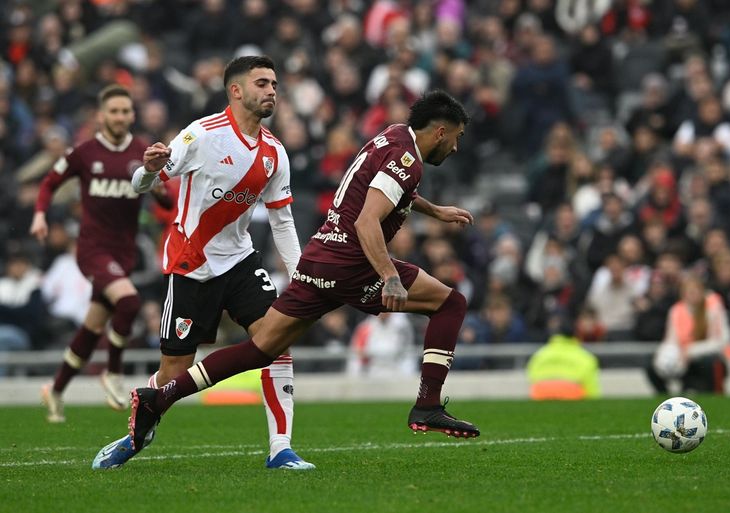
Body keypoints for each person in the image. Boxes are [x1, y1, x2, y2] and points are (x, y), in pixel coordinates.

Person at [95, 89, 480, 468]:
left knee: (263, 348)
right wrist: (389, 276)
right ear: (441, 131)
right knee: (450, 303)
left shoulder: (394, 136)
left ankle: (160, 399)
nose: (457, 148)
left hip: (319, 259)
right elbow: (367, 220)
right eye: (458, 137)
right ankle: (427, 404)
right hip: (350, 263)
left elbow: (387, 190)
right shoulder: (407, 158)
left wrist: (435, 211)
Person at [92, 56, 313, 471]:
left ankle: (280, 448)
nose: (271, 91)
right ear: (236, 91)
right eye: (262, 83)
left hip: (241, 260)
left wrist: (303, 277)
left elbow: (283, 221)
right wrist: (148, 168)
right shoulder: (203, 134)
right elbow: (145, 182)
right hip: (191, 264)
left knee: (277, 340)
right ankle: (138, 427)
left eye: (274, 84)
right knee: (176, 370)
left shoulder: (275, 153)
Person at [31, 85, 173, 422]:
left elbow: (167, 202)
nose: (120, 117)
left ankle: (56, 389)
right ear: (101, 115)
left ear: (132, 115)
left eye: (126, 111)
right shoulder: (84, 152)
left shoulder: (142, 152)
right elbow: (50, 181)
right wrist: (39, 214)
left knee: (93, 327)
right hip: (92, 249)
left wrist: (154, 179)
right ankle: (113, 372)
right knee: (130, 302)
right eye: (114, 111)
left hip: (123, 253)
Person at [647, 273, 730, 395]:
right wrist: (664, 357)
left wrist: (690, 352)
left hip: (712, 359)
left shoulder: (713, 307)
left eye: (695, 291)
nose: (692, 295)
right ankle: (667, 399)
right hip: (685, 361)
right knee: (652, 367)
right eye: (688, 291)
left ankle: (712, 393)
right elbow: (670, 340)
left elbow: (720, 342)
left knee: (708, 363)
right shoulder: (676, 310)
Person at [526, 316, 601, 400]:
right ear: (576, 335)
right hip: (572, 399)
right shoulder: (586, 357)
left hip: (541, 398)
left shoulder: (539, 354)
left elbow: (531, 379)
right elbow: (592, 393)